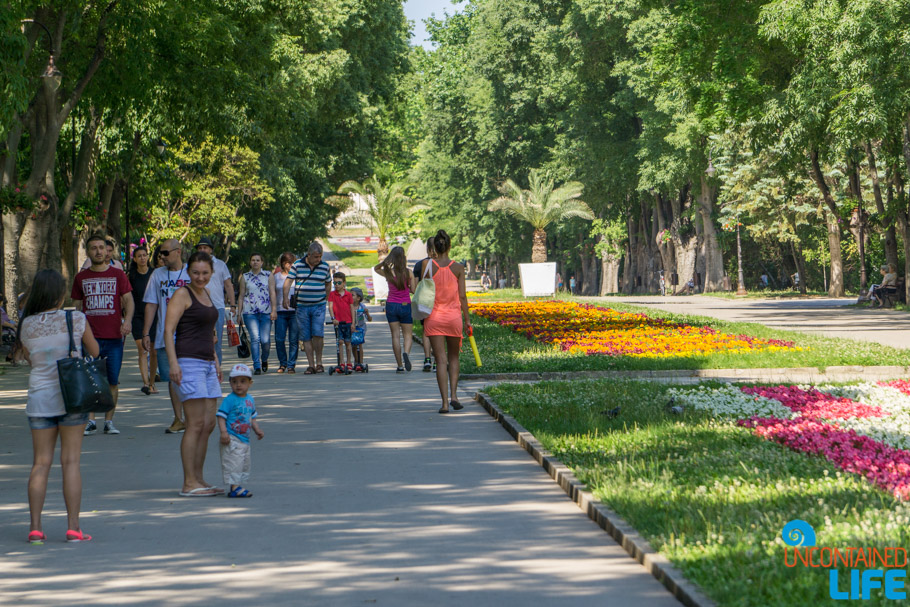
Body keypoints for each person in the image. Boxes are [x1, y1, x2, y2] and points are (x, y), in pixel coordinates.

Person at [17, 269, 99, 543]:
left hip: (39, 398)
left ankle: (36, 528)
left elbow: (30, 358)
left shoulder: (26, 325)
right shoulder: (75, 318)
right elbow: (95, 351)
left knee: (40, 463)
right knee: (70, 461)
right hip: (71, 397)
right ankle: (74, 528)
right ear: (61, 294)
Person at [164, 251, 223, 497]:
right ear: (188, 272)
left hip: (208, 363)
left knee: (208, 424)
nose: (200, 277)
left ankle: (199, 478)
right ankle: (188, 483)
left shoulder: (207, 293)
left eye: (205, 273)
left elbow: (210, 333)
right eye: (196, 273)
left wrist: (217, 361)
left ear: (212, 272)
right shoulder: (182, 294)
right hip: (188, 363)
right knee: (195, 424)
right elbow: (168, 331)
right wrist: (173, 364)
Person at [71, 233, 133, 436]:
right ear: (88, 252)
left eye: (101, 247)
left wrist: (128, 320)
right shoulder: (81, 278)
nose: (98, 251)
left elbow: (129, 301)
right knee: (90, 379)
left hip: (114, 337)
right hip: (90, 338)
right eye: (94, 248)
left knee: (112, 381)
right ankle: (90, 421)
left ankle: (109, 421)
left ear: (108, 251)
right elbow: (77, 307)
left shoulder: (118, 275)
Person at [143, 238, 189, 434]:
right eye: (160, 253)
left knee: (189, 376)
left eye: (165, 253)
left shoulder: (191, 272)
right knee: (172, 378)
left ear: (177, 252)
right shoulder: (157, 275)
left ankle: (192, 417)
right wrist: (146, 332)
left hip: (190, 334)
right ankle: (178, 418)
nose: (161, 256)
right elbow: (152, 304)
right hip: (165, 335)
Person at [423, 230, 471, 414]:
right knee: (453, 358)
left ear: (434, 247)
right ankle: (454, 397)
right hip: (453, 318)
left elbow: (424, 292)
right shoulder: (458, 268)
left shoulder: (428, 266)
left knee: (440, 360)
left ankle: (444, 403)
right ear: (449, 246)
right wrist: (467, 320)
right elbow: (462, 296)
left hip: (433, 318)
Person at [283, 242, 331, 374]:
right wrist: (285, 298)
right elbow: (288, 282)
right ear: (308, 255)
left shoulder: (325, 267)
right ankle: (311, 365)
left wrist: (326, 298)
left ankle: (319, 363)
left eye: (320, 256)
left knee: (318, 334)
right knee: (306, 336)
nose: (318, 259)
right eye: (316, 257)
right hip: (302, 307)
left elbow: (328, 283)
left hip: (318, 306)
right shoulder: (297, 265)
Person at [217, 363, 264, 498]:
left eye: (243, 381)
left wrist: (257, 429)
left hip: (245, 438)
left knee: (243, 463)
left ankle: (237, 486)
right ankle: (235, 488)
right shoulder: (230, 399)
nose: (238, 385)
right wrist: (223, 432)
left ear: (250, 383)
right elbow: (221, 417)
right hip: (232, 437)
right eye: (234, 381)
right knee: (234, 463)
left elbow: (252, 417)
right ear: (230, 383)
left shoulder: (250, 400)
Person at [194, 237, 236, 366]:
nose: (202, 250)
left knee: (216, 340)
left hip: (217, 307)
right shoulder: (193, 265)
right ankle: (202, 366)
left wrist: (233, 305)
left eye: (205, 248)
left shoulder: (220, 264)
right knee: (199, 339)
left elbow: (228, 285)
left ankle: (216, 368)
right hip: (198, 307)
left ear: (211, 250)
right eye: (200, 248)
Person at [374, 246, 414, 373]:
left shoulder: (388, 272)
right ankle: (406, 353)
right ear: (403, 258)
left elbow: (376, 268)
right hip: (405, 305)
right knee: (407, 335)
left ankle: (400, 365)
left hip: (391, 305)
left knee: (395, 336)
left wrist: (385, 262)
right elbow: (413, 290)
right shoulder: (409, 273)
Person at [128, 246, 159, 395]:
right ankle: (146, 383)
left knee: (153, 351)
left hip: (153, 316)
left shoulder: (154, 274)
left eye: (144, 255)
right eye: (139, 256)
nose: (142, 258)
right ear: (134, 259)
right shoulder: (131, 276)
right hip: (137, 316)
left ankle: (152, 382)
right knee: (142, 350)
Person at [237, 252, 272, 375]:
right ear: (250, 262)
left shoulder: (268, 275)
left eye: (258, 260)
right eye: (253, 260)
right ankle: (256, 365)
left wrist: (274, 311)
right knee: (255, 338)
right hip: (249, 312)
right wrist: (239, 312)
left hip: (266, 312)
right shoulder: (245, 277)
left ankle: (264, 359)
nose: (255, 262)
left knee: (265, 340)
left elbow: (272, 293)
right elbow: (241, 296)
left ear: (262, 262)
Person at [270, 252, 299, 373]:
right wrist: (273, 310)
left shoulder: (297, 276)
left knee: (293, 339)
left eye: (292, 262)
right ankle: (283, 363)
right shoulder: (276, 277)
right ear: (283, 264)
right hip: (280, 311)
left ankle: (291, 364)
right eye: (288, 263)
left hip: (295, 311)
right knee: (279, 339)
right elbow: (272, 294)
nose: (290, 265)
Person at [412, 237, 436, 373]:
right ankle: (437, 361)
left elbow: (415, 287)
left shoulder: (420, 265)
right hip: (439, 302)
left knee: (426, 331)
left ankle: (427, 359)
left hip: (425, 303)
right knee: (439, 332)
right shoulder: (443, 265)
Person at [328, 271, 354, 373]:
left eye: (339, 283)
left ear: (344, 283)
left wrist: (353, 322)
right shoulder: (332, 294)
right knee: (340, 342)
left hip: (347, 321)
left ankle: (349, 362)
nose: (337, 285)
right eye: (335, 283)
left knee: (348, 342)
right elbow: (330, 307)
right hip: (338, 322)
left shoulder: (348, 295)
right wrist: (333, 318)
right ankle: (341, 362)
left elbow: (352, 309)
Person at [350, 287, 371, 371]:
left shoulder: (362, 306)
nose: (350, 297)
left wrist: (367, 312)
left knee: (359, 344)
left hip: (360, 328)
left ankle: (360, 362)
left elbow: (369, 319)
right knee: (353, 344)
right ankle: (356, 360)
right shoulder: (349, 306)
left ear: (358, 298)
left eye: (352, 295)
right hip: (352, 327)